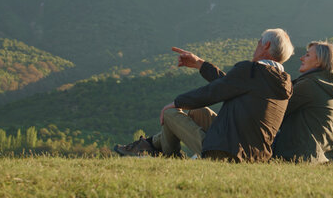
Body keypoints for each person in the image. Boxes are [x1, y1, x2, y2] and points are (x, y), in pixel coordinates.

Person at [114, 28, 294, 162]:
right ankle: (152, 145)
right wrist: (199, 64)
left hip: (226, 152)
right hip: (255, 156)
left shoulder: (251, 71)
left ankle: (169, 158)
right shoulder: (282, 82)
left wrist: (176, 103)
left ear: (266, 45)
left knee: (170, 114)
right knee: (197, 112)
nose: (256, 46)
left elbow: (213, 91)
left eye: (258, 41)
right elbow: (229, 84)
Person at [272, 41, 333, 163]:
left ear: (319, 61)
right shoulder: (332, 89)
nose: (301, 58)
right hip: (318, 156)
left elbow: (276, 111)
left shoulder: (310, 85)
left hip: (297, 156)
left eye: (307, 55)